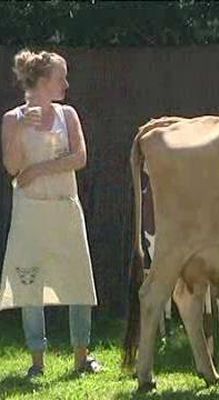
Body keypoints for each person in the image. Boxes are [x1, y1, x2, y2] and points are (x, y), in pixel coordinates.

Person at [0, 49, 101, 378]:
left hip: (64, 207)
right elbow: (14, 168)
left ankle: (81, 357)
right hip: (30, 212)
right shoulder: (12, 119)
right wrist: (18, 131)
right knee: (30, 282)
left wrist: (40, 169)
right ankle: (37, 362)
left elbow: (79, 157)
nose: (67, 84)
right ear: (43, 81)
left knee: (78, 279)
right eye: (61, 78)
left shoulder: (67, 114)